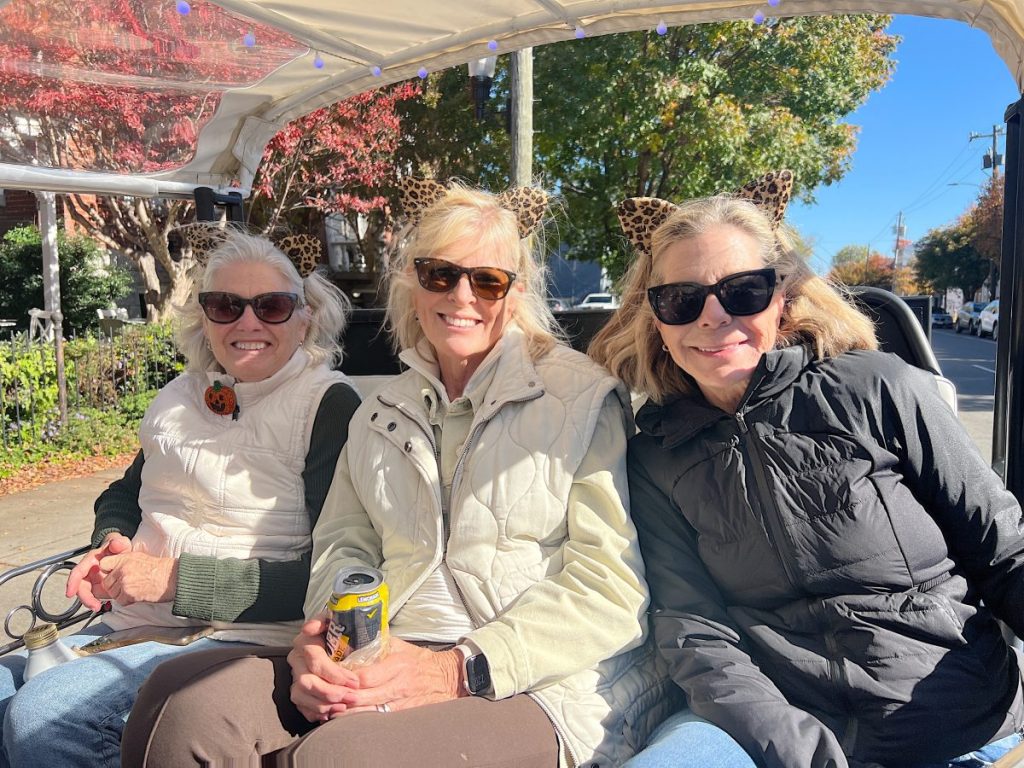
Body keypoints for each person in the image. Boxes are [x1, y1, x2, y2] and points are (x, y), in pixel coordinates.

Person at [120, 180, 689, 768]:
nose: (462, 295)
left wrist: (456, 667)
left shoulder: (583, 399)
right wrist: (326, 648)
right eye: (439, 274)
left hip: (537, 679)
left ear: (514, 294)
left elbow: (611, 590)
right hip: (390, 652)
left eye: (487, 280)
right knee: (181, 705)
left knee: (340, 758)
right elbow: (343, 546)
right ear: (412, 286)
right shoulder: (379, 414)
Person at [588, 171, 1024, 768]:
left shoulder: (879, 388)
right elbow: (695, 632)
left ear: (782, 297)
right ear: (656, 318)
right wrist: (806, 755)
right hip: (765, 729)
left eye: (742, 290)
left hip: (955, 718)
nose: (712, 317)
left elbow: (1004, 554)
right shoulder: (656, 454)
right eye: (682, 299)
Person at [0, 230, 361, 768]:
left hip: (244, 639)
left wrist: (172, 579)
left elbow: (330, 576)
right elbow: (125, 492)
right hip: (136, 623)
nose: (247, 323)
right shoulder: (179, 396)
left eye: (272, 306)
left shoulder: (327, 407)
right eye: (225, 305)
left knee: (43, 717)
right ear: (204, 317)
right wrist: (113, 539)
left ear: (305, 317)